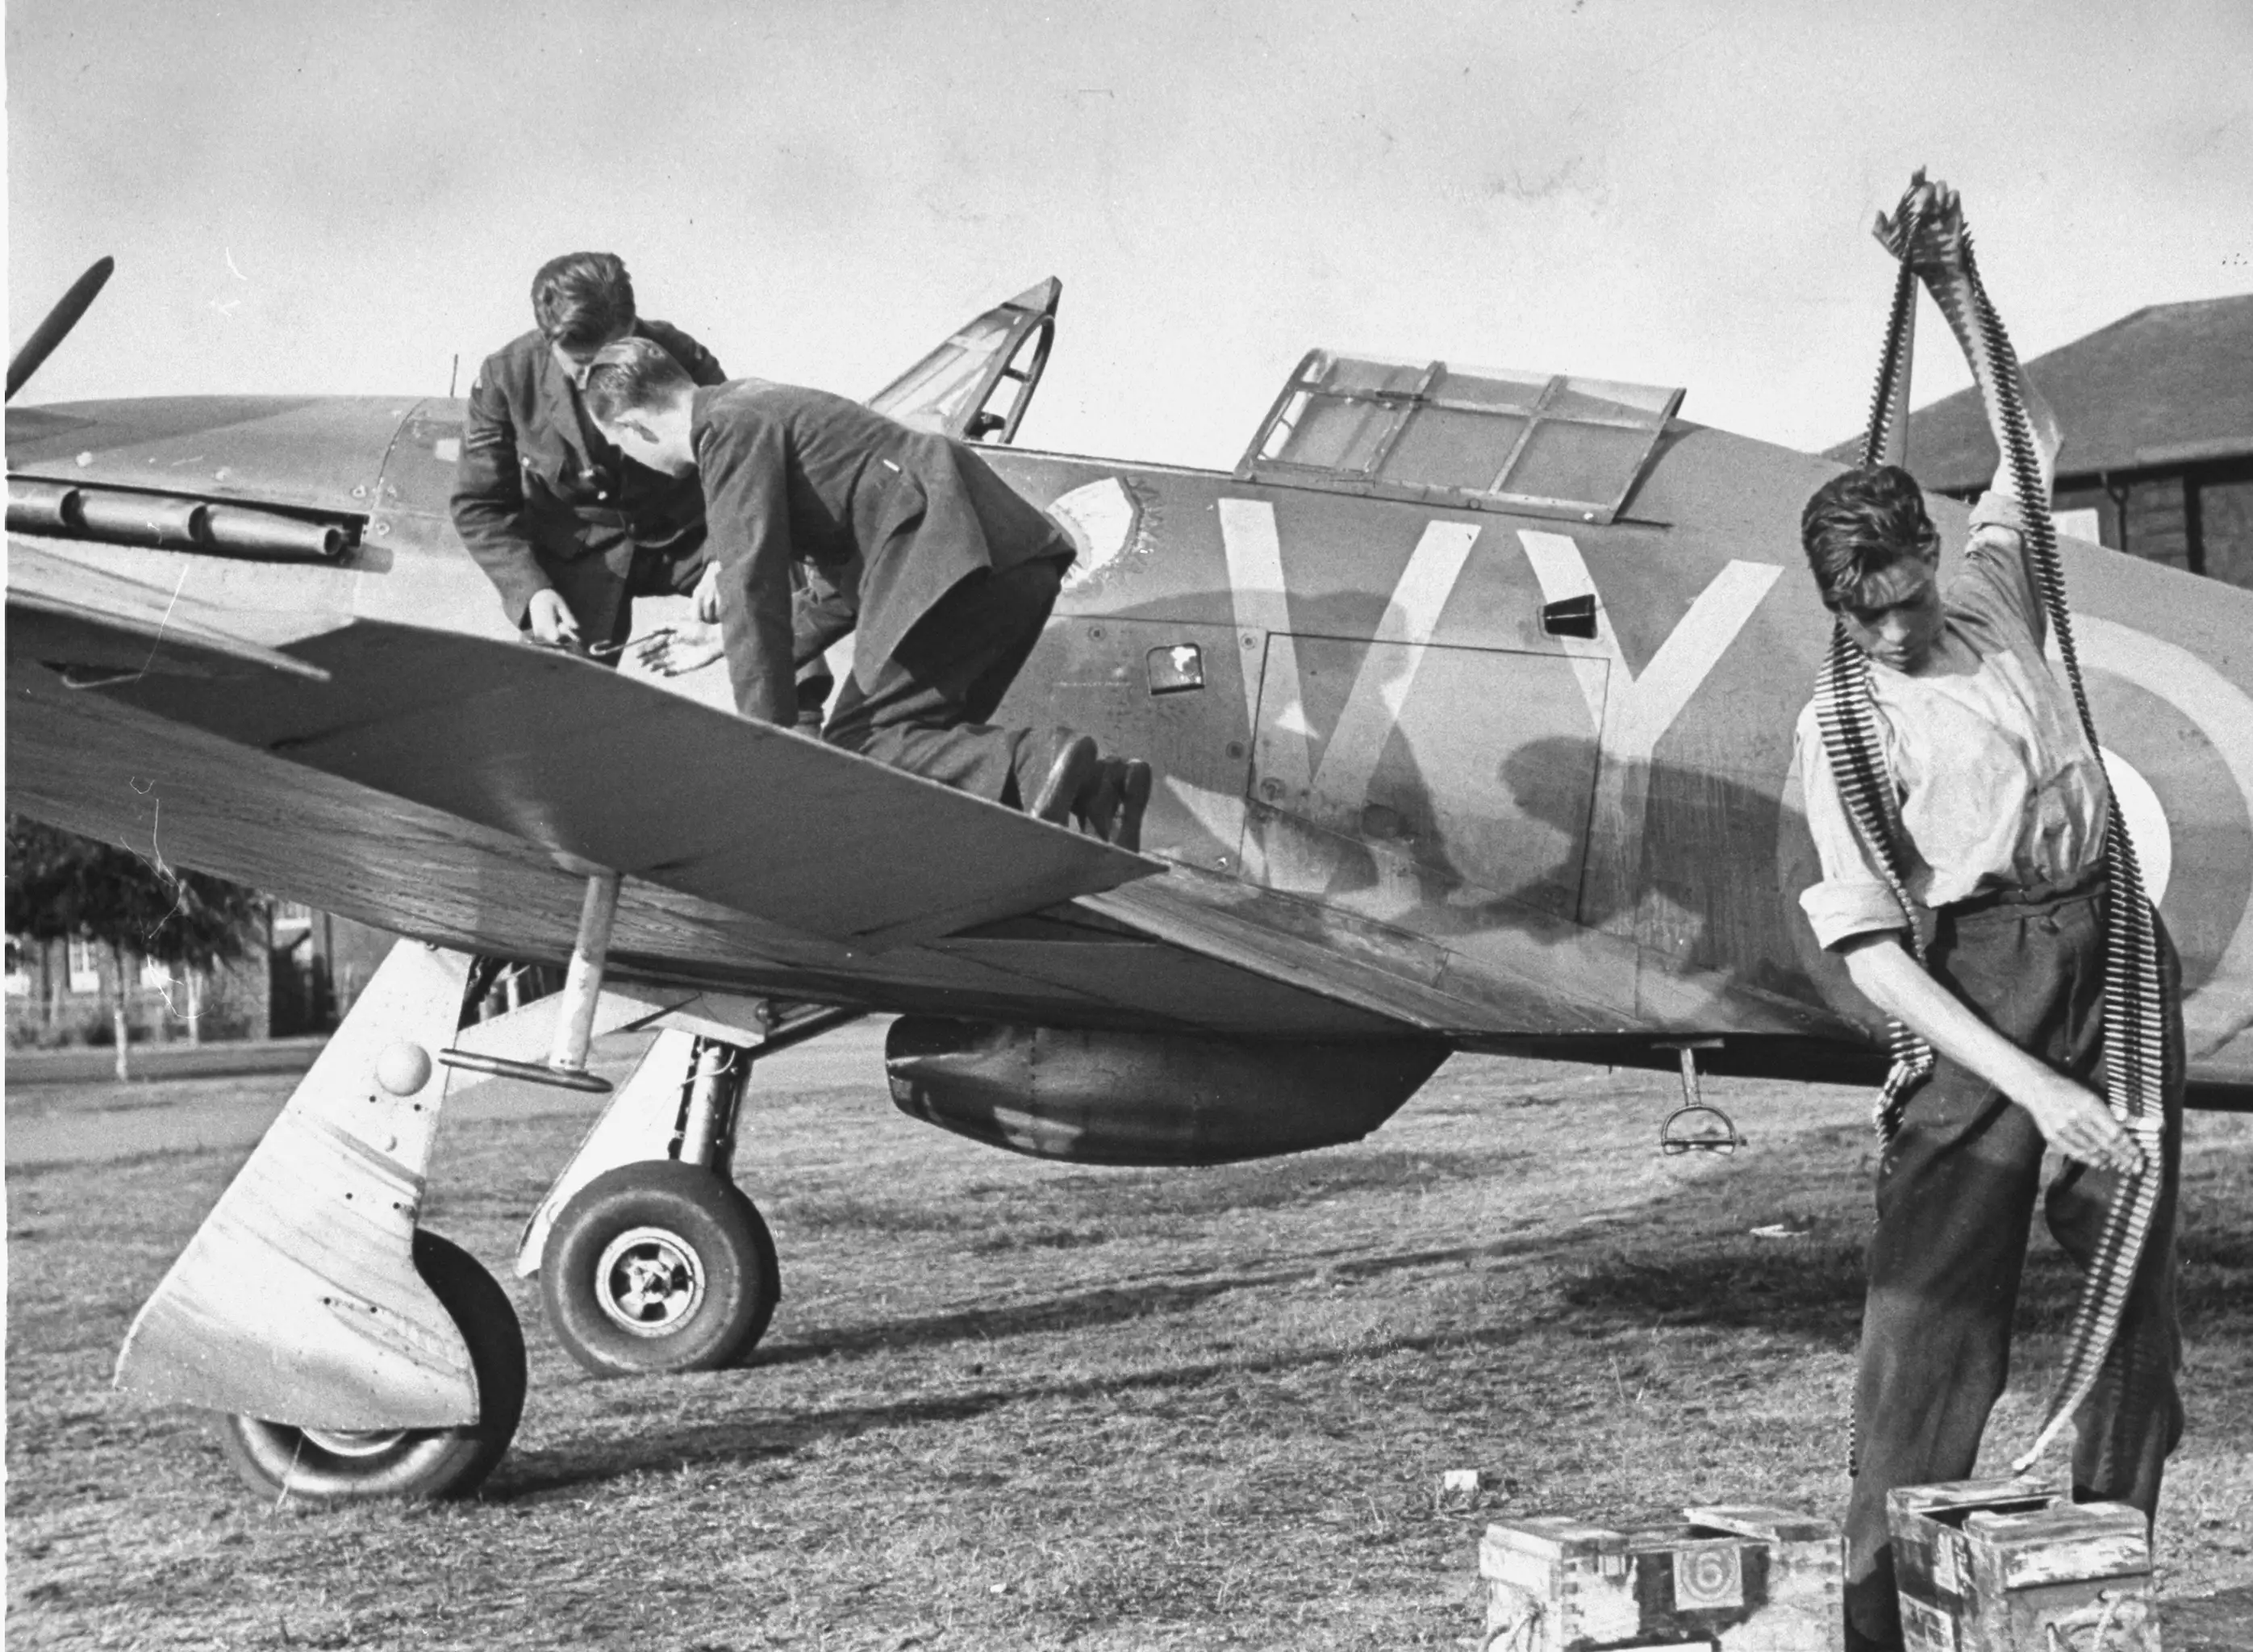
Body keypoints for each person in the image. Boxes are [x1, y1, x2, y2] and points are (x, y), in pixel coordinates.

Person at [1792, 181, 2182, 1652]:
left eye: (1902, 595)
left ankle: (2092, 1592)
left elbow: (2032, 444)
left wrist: (1955, 279)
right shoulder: (1835, 722)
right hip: (1973, 997)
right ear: (1831, 600)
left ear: (1928, 559)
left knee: (2132, 1305)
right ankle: (1875, 1628)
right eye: (1863, 611)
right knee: (1926, 1339)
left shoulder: (1996, 593)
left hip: (2108, 948)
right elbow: (1871, 951)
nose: (1893, 631)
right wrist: (2028, 1085)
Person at [578, 336, 1149, 844]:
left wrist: (765, 747)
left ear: (632, 425)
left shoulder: (724, 431)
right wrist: (722, 638)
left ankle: (1038, 761)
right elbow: (834, 586)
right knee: (916, 738)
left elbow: (751, 585)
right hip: (1011, 559)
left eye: (621, 446)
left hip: (944, 557)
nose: (633, 461)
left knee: (858, 746)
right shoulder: (762, 405)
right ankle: (1097, 789)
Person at [450, 252, 730, 655]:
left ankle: (797, 718)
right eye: (582, 364)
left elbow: (734, 465)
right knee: (557, 693)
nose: (599, 375)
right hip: (578, 555)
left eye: (616, 351)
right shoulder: (506, 378)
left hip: (684, 538)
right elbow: (479, 504)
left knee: (767, 575)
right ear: (549, 343)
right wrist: (531, 591)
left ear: (633, 325)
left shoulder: (684, 355)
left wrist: (723, 557)